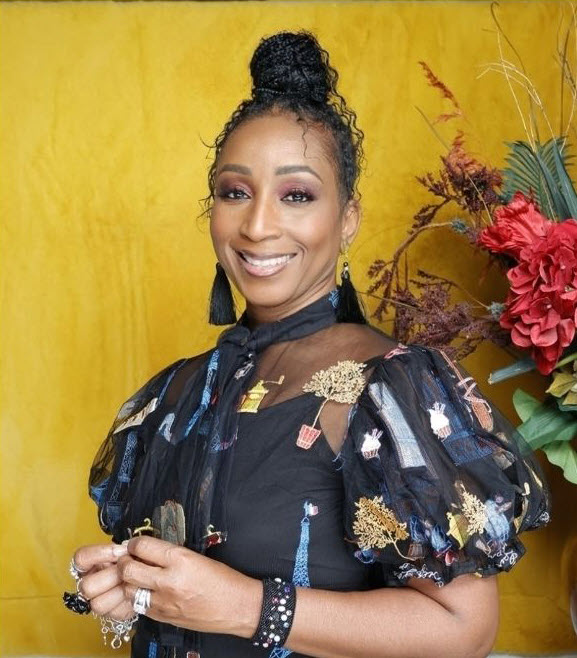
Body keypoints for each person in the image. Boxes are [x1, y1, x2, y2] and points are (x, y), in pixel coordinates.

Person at [67, 31, 550, 658]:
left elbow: (465, 630)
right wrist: (129, 585)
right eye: (235, 192)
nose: (257, 225)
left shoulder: (389, 388)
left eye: (296, 195)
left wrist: (247, 607)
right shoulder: (176, 392)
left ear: (347, 218)